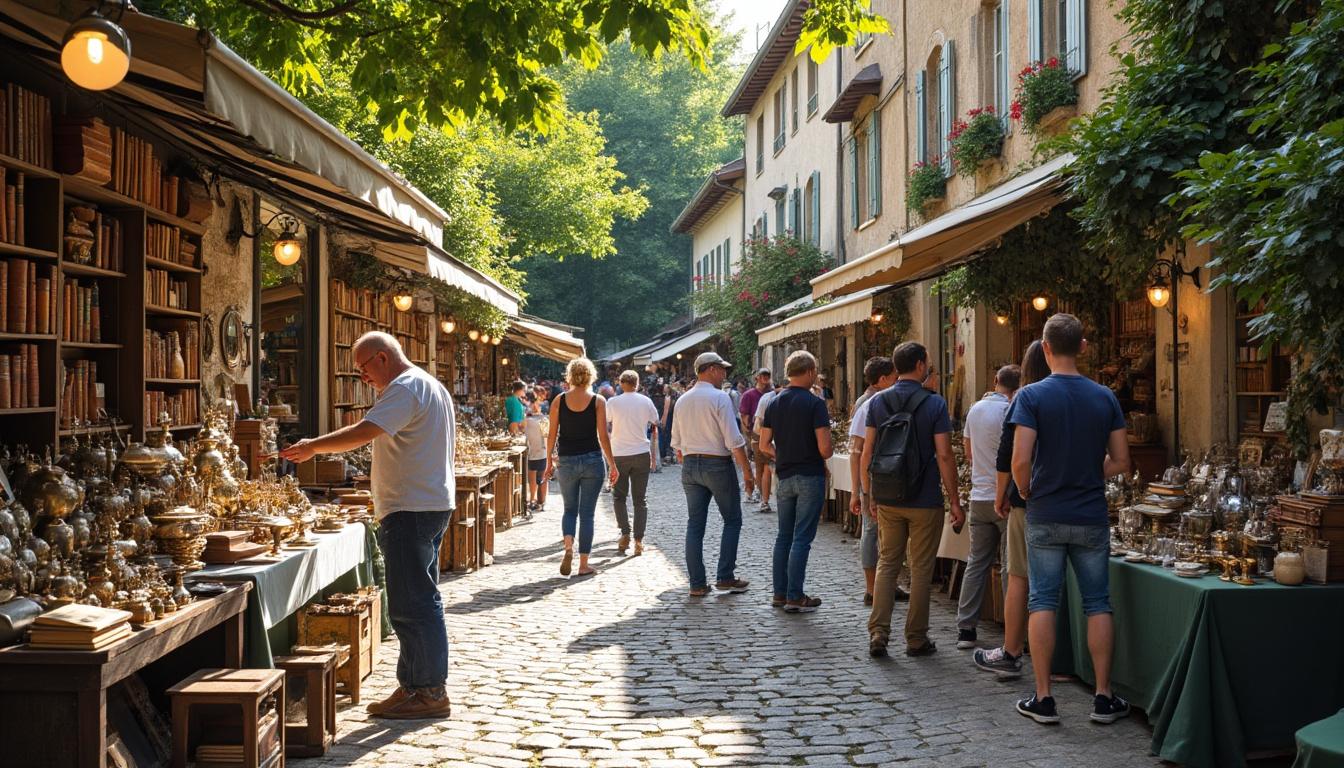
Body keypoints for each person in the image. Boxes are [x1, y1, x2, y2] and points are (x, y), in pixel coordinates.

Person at [279, 331, 453, 719]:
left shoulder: (405, 388)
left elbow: (364, 431)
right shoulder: (430, 385)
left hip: (411, 508)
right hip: (426, 503)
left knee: (413, 603)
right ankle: (414, 686)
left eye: (362, 369)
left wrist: (312, 447)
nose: (363, 379)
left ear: (381, 357)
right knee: (416, 599)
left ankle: (428, 691)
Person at [1009, 314, 1132, 725]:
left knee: (1042, 599)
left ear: (1045, 348)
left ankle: (1044, 698)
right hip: (1090, 514)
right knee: (1098, 603)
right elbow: (1122, 462)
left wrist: (1028, 490)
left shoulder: (1030, 396)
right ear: (1083, 347)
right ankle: (1103, 695)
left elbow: (1021, 460)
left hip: (1045, 510)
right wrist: (1085, 471)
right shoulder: (1105, 397)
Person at [860, 341, 964, 659]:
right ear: (920, 365)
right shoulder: (934, 404)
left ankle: (878, 632)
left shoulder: (878, 402)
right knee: (920, 569)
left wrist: (869, 495)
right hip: (925, 497)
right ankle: (916, 638)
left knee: (888, 563)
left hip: (889, 496)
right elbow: (945, 455)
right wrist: (955, 501)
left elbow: (868, 452)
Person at [976, 342, 1050, 679]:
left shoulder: (1025, 398)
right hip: (1072, 502)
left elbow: (1010, 457)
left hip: (1029, 499)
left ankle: (1011, 649)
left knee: (1019, 576)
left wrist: (1008, 492)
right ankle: (1056, 658)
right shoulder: (1085, 393)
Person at [671, 351, 756, 597]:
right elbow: (733, 439)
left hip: (690, 464)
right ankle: (725, 576)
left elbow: (676, 442)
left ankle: (697, 584)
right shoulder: (719, 398)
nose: (724, 373)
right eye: (722, 369)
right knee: (732, 519)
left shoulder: (683, 400)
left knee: (695, 524)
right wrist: (747, 473)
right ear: (710, 370)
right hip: (717, 464)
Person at [758, 351, 833, 612]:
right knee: (802, 538)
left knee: (784, 537)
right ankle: (794, 595)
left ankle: (780, 593)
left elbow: (764, 444)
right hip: (810, 474)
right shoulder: (814, 404)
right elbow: (825, 449)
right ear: (811, 372)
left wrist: (784, 454)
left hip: (785, 475)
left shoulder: (774, 403)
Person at [954, 364, 1021, 649]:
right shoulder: (1013, 410)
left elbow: (968, 454)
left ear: (995, 381)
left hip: (979, 495)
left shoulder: (975, 409)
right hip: (1004, 497)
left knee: (976, 563)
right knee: (1010, 567)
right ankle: (1013, 631)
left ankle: (966, 628)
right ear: (1017, 387)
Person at [544, 358, 619, 578]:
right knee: (587, 514)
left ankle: (568, 546)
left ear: (570, 375)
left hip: (566, 460)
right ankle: (584, 564)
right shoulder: (598, 401)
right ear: (590, 376)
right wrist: (612, 463)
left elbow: (552, 434)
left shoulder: (559, 400)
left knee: (569, 510)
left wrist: (549, 461)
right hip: (592, 460)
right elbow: (603, 436)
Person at [847, 356, 900, 605]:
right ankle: (871, 588)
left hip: (889, 476)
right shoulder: (868, 405)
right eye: (894, 376)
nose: (897, 380)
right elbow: (856, 450)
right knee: (870, 530)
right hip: (874, 478)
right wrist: (858, 491)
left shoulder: (888, 400)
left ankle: (888, 583)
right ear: (882, 380)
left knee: (888, 533)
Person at [606, 369, 660, 555]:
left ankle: (625, 533)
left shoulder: (613, 402)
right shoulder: (646, 401)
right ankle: (639, 540)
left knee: (619, 497)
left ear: (621, 383)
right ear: (637, 384)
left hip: (619, 453)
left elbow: (605, 422)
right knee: (640, 499)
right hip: (641, 453)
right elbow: (656, 421)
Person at [739, 368, 771, 504]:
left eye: (767, 375)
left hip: (769, 433)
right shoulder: (749, 395)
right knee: (757, 465)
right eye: (763, 375)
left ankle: (761, 492)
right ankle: (754, 491)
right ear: (757, 378)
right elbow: (744, 416)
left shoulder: (771, 394)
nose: (765, 378)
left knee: (765, 466)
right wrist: (748, 434)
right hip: (755, 433)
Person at [523, 397, 548, 512]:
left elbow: (547, 436)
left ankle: (538, 501)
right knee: (536, 478)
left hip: (539, 451)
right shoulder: (532, 419)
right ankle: (536, 501)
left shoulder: (541, 419)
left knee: (539, 477)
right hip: (536, 452)